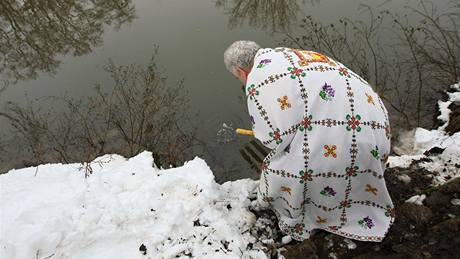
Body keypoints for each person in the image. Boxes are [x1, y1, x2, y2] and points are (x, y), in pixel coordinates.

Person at [223, 40, 395, 242]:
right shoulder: (289, 55)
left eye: (238, 78)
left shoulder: (258, 80)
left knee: (281, 168)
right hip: (378, 134)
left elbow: (272, 137)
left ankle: (319, 212)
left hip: (348, 149)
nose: (242, 81)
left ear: (241, 71)